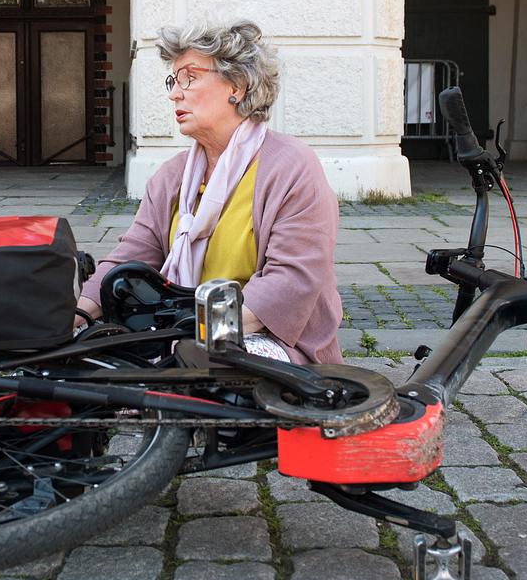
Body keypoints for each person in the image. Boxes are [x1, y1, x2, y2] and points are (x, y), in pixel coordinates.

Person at [77, 21, 342, 364]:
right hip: (184, 331)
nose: (175, 93)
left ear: (238, 86)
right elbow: (129, 259)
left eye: (190, 77)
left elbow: (291, 281)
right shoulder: (172, 176)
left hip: (268, 338)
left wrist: (189, 333)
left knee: (192, 365)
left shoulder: (291, 167)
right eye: (173, 81)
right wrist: (76, 316)